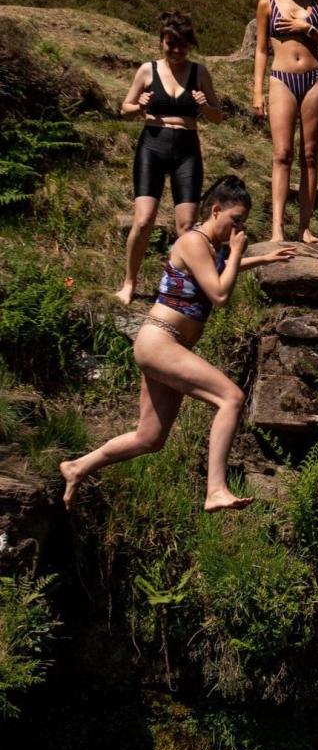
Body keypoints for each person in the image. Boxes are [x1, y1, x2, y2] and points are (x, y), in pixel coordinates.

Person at [61, 177, 296, 511]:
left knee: (149, 438)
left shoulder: (210, 248)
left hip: (166, 345)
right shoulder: (193, 241)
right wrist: (239, 252)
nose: (237, 228)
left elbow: (216, 274)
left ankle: (77, 467)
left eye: (241, 222)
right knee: (231, 398)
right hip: (161, 340)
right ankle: (215, 488)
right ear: (216, 210)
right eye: (235, 220)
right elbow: (218, 294)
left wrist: (263, 260)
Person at [116, 13, 222, 304]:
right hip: (152, 145)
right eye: (171, 44)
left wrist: (204, 106)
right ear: (162, 41)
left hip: (187, 148)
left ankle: (179, 288)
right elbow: (124, 108)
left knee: (187, 227)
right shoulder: (147, 71)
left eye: (183, 45)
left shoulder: (199, 72)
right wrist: (139, 106)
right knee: (143, 220)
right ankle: (129, 283)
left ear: (190, 45)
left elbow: (218, 116)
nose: (176, 50)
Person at [253, 0, 318, 244]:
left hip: (315, 80)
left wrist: (308, 28)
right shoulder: (267, 4)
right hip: (281, 79)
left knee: (310, 155)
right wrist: (257, 91)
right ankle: (277, 228)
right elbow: (261, 49)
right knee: (282, 154)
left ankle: (304, 227)